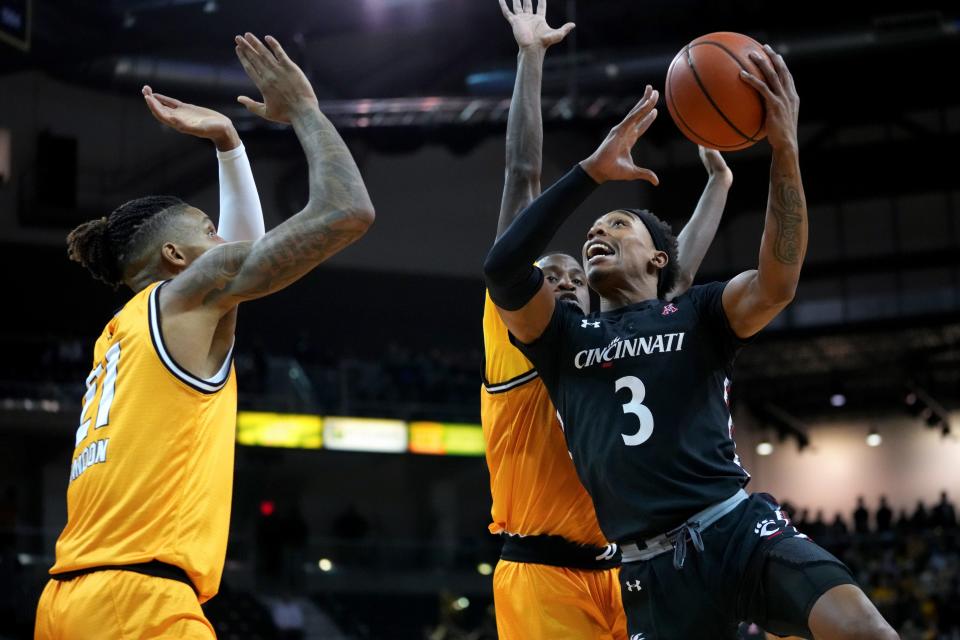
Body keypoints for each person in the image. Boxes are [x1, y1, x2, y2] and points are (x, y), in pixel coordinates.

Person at [483, 44, 898, 639]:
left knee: (866, 631)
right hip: (647, 570)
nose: (597, 231)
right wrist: (591, 173)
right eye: (594, 229)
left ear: (656, 257)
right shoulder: (564, 339)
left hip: (734, 527)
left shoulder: (693, 311)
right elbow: (502, 267)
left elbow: (777, 283)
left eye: (616, 225)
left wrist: (784, 148)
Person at [34, 34, 375, 639]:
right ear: (173, 255)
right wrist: (304, 109)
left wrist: (229, 144)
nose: (222, 237)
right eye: (207, 226)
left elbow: (233, 263)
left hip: (68, 601)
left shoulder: (123, 331)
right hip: (136, 605)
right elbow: (348, 211)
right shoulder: (191, 294)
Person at [481, 2, 732, 638]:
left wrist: (718, 187)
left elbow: (668, 278)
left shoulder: (594, 343)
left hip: (622, 571)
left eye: (574, 278)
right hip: (540, 571)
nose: (563, 282)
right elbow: (522, 177)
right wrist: (531, 58)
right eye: (551, 275)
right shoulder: (520, 334)